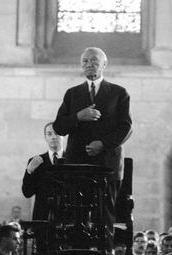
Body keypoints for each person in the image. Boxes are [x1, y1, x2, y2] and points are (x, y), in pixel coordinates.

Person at [52, 47, 132, 236]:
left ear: (104, 64)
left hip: (106, 165)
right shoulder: (72, 93)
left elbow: (126, 127)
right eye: (85, 61)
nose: (89, 64)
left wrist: (102, 144)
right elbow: (59, 126)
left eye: (94, 61)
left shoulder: (119, 93)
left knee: (104, 218)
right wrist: (79, 116)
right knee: (77, 216)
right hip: (78, 165)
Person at [22, 122, 64, 220]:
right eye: (49, 134)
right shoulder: (36, 161)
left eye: (57, 133)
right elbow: (27, 193)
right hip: (42, 216)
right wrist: (29, 171)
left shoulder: (71, 160)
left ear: (63, 136)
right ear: (45, 137)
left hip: (66, 218)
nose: (53, 137)